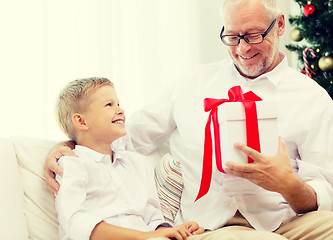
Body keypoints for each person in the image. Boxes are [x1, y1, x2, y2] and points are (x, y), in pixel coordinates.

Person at [46, 0, 333, 239]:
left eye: (254, 35)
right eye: (232, 37)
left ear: (280, 25)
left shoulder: (313, 99)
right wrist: (69, 145)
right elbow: (126, 138)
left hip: (287, 221)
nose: (243, 49)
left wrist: (287, 185)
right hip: (211, 224)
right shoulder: (191, 82)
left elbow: (323, 192)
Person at [53, 77, 204, 240]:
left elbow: (153, 216)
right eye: (109, 105)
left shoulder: (137, 163)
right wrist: (143, 236)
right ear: (81, 121)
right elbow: (76, 222)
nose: (120, 110)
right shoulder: (72, 165)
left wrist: (171, 231)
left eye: (118, 103)